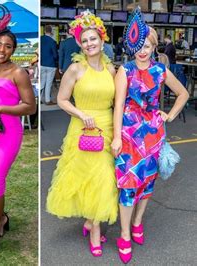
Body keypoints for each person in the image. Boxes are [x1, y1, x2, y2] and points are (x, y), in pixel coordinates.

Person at [112, 9, 189, 263]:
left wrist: (170, 115)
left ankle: (137, 222)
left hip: (153, 135)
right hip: (128, 134)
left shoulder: (160, 71)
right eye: (139, 45)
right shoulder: (125, 70)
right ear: (131, 45)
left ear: (155, 46)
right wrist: (115, 137)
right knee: (127, 186)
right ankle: (124, 235)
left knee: (146, 186)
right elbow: (119, 105)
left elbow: (183, 94)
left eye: (147, 45)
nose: (142, 50)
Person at [46, 11, 118, 257]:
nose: (90, 44)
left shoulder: (111, 70)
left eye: (93, 39)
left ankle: (90, 222)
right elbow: (61, 99)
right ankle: (95, 231)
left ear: (102, 40)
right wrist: (80, 113)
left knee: (106, 179)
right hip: (83, 129)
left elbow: (119, 102)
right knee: (92, 178)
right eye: (85, 40)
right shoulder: (75, 69)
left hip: (107, 129)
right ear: (80, 43)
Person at [0, 29, 36, 258]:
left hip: (8, 133)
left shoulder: (18, 73)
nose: (2, 50)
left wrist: (1, 109)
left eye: (8, 46)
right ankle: (1, 218)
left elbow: (30, 106)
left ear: (14, 49)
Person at [40, 25, 58, 105]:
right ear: (51, 32)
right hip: (50, 65)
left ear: (44, 31)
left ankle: (39, 99)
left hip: (41, 64)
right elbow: (55, 55)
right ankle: (47, 100)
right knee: (48, 83)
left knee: (42, 82)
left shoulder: (40, 39)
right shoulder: (52, 41)